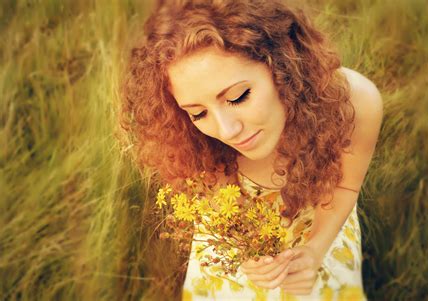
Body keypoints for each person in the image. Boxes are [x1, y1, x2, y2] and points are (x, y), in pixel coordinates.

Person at [121, 0, 383, 300]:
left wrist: (313, 252)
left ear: (284, 64)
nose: (226, 131)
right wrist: (246, 250)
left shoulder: (355, 104)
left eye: (238, 96)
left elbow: (346, 185)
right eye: (198, 113)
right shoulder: (197, 145)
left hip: (323, 227)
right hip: (238, 240)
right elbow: (221, 209)